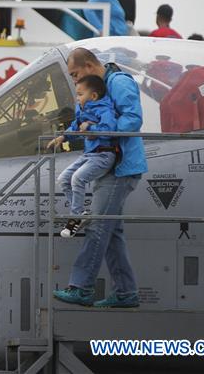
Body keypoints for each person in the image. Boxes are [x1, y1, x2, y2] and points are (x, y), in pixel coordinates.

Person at [53, 47, 145, 308]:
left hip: (120, 167)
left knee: (97, 227)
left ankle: (81, 287)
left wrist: (95, 129)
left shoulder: (118, 83)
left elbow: (133, 119)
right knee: (111, 232)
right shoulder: (96, 91)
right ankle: (126, 293)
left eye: (75, 74)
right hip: (111, 165)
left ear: (90, 66)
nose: (74, 81)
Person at [47, 75, 118, 238]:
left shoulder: (105, 110)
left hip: (103, 154)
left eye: (80, 94)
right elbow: (76, 127)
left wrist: (91, 128)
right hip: (88, 154)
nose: (77, 98)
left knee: (77, 178)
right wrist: (63, 137)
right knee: (64, 179)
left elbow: (109, 130)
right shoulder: (82, 110)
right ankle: (80, 213)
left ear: (93, 96)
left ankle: (75, 218)